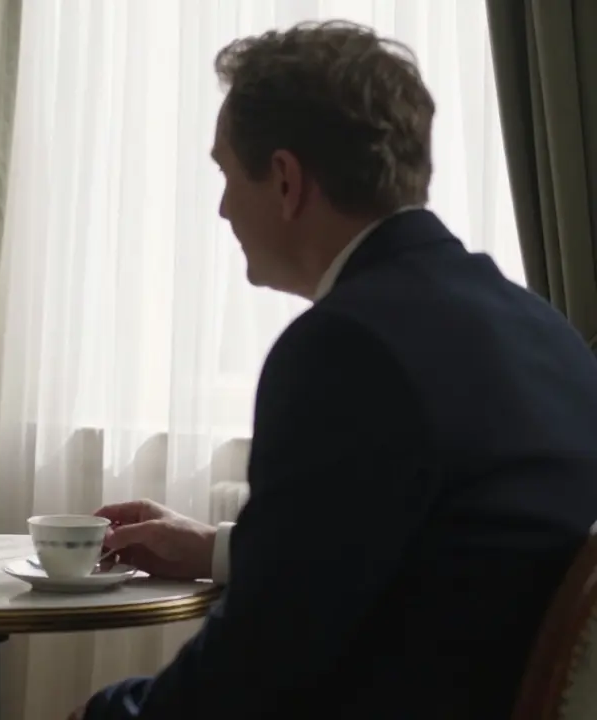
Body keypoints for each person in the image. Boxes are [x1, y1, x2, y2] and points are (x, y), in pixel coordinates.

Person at [75, 20, 597, 720]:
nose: (224, 207)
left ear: (286, 180)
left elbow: (257, 668)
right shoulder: (544, 329)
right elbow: (433, 553)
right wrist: (218, 550)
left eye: (227, 173)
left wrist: (110, 714)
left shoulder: (345, 349)